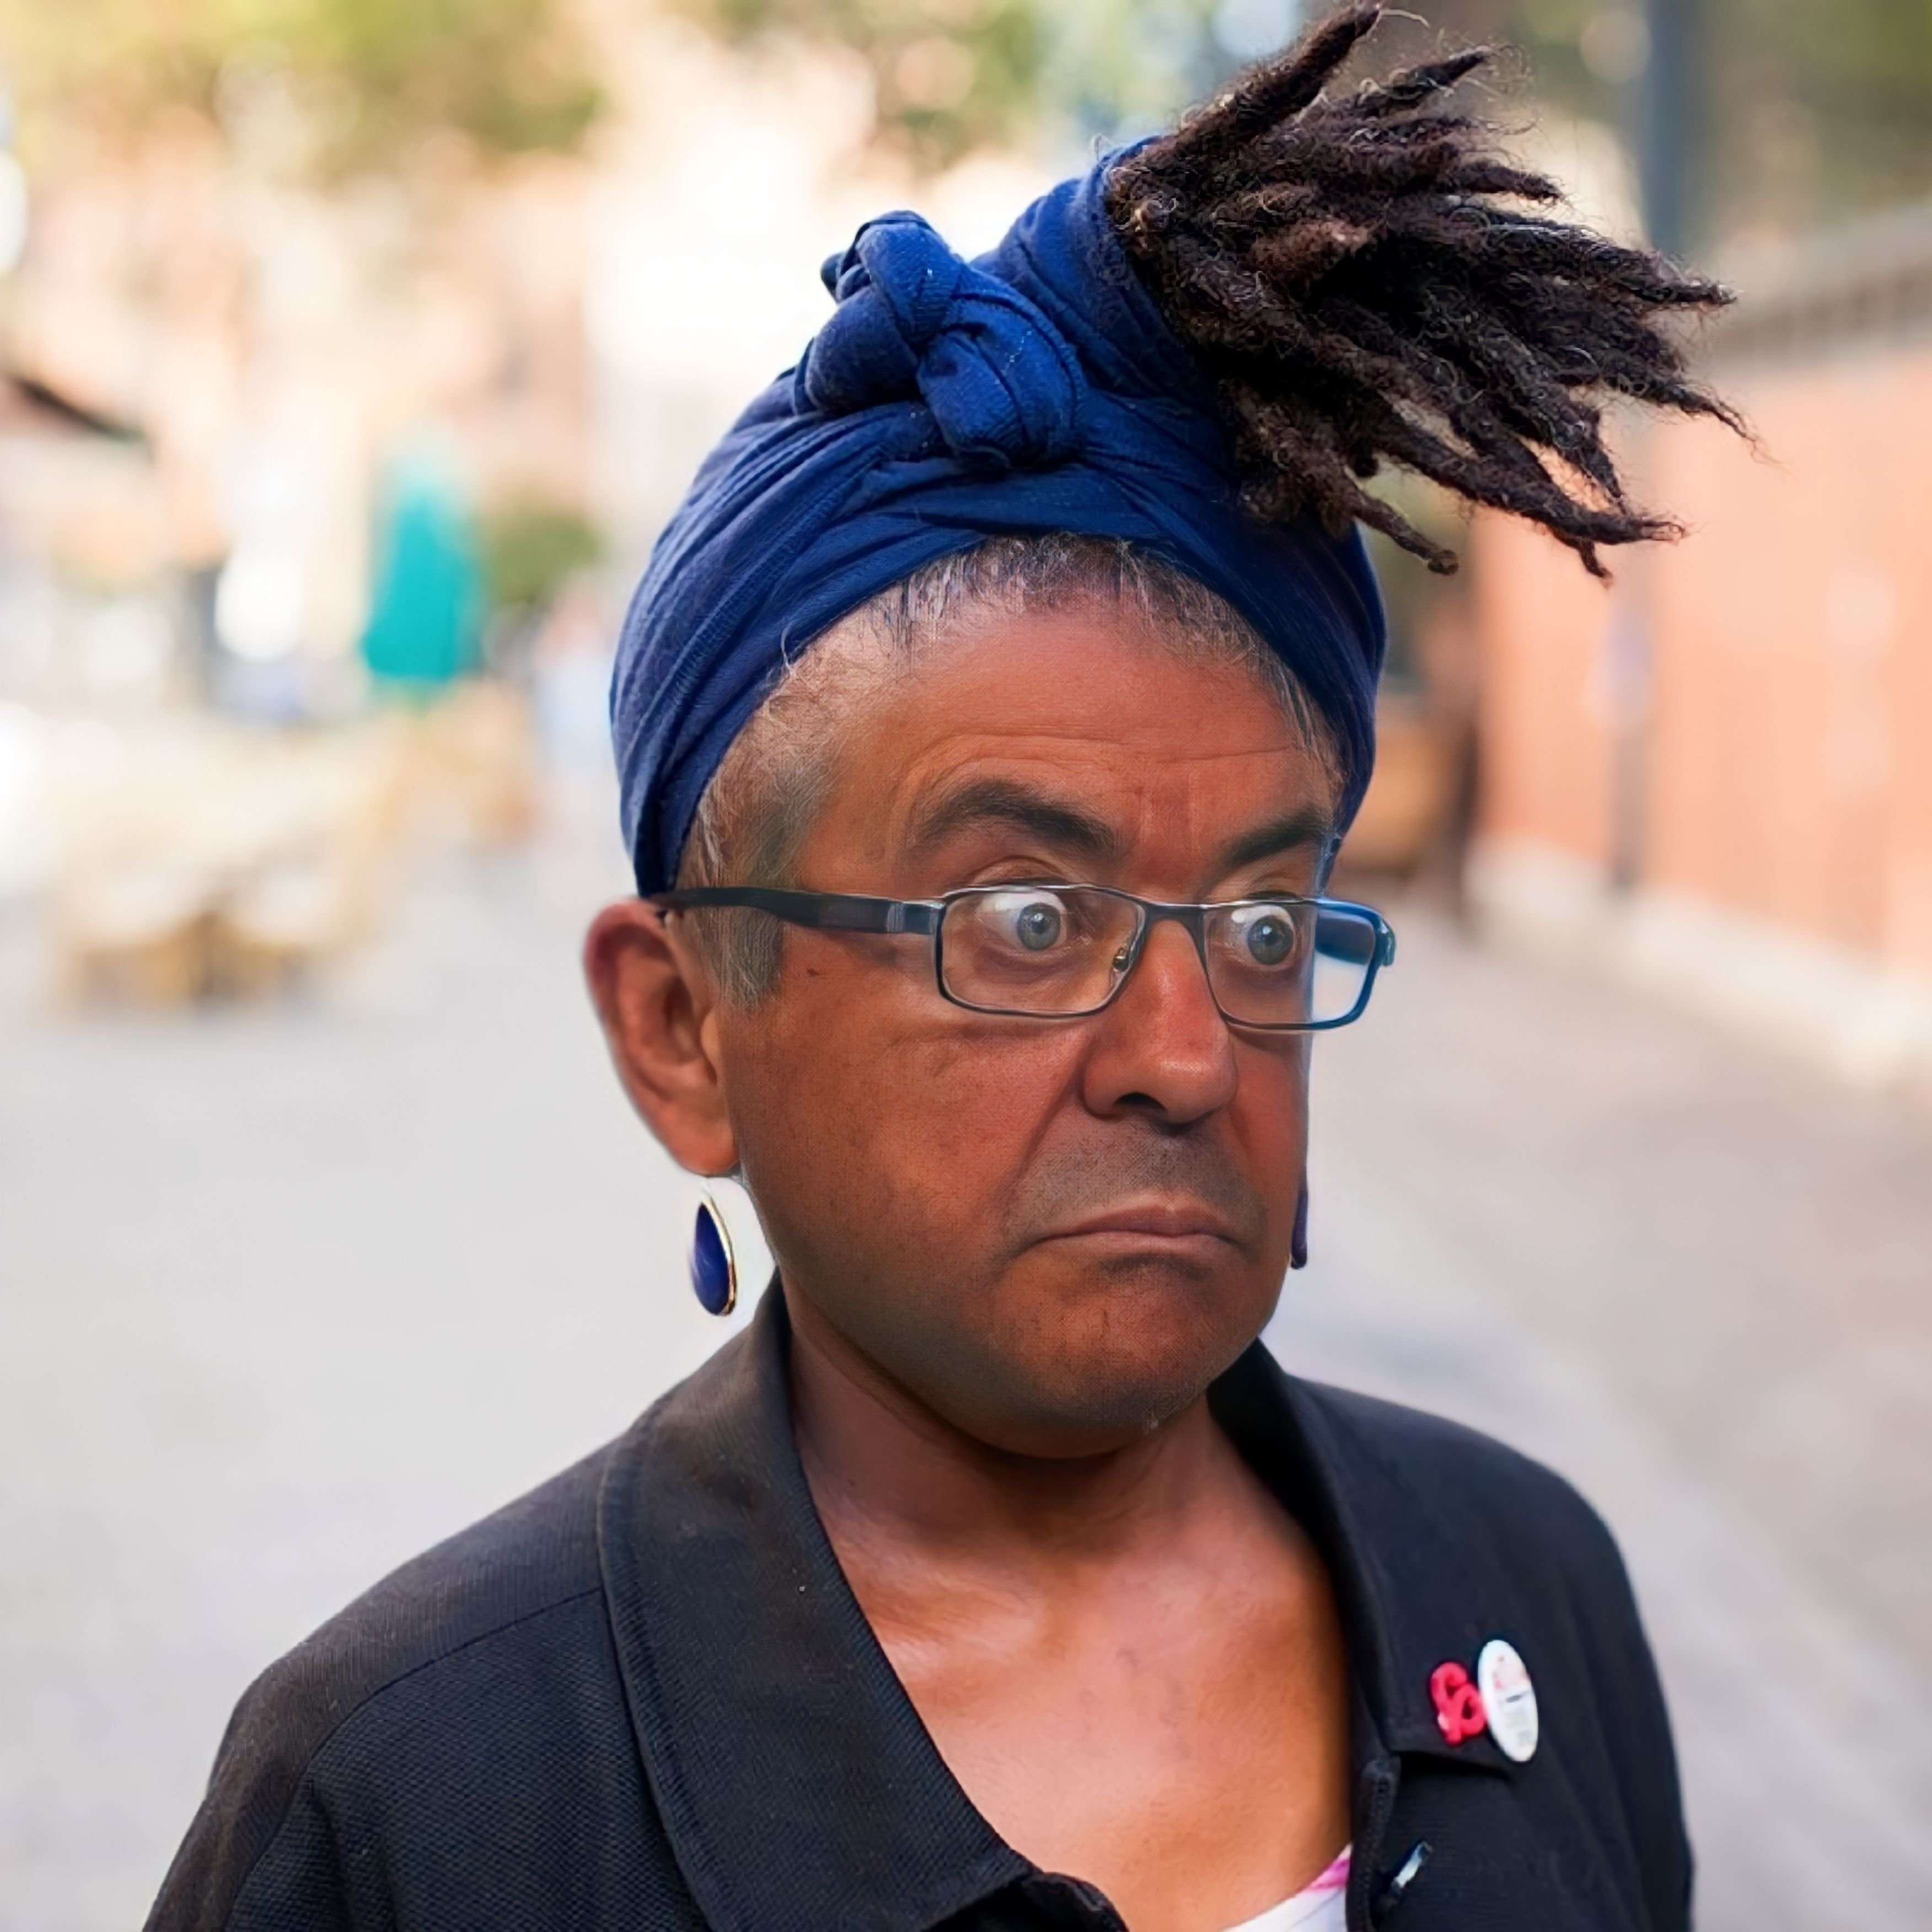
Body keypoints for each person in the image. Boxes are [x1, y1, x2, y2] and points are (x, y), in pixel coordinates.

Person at [147, 9, 1739, 1929]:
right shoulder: (417, 1808)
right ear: (681, 1029)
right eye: (1026, 923)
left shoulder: (1522, 1591)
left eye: (1258, 923)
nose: (1186, 1057)